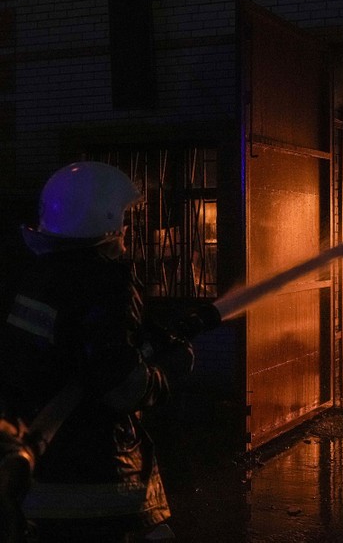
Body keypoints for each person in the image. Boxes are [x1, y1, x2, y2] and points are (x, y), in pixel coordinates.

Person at [0, 161, 197, 542]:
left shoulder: (32, 275)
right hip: (100, 480)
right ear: (105, 221)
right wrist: (167, 371)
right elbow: (121, 385)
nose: (127, 229)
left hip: (37, 472)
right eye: (124, 218)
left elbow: (63, 353)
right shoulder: (106, 282)